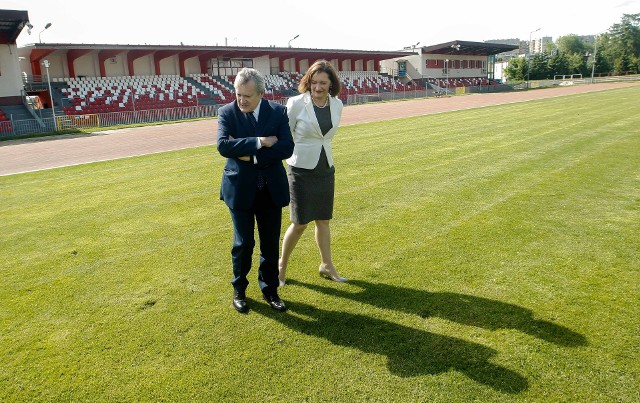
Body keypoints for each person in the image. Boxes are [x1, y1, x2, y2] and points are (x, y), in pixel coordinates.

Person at [217, 67, 294, 313]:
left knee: (270, 244)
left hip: (270, 189)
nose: (241, 100)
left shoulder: (278, 112)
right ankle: (239, 290)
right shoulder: (227, 112)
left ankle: (270, 290)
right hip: (240, 189)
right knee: (244, 243)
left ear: (261, 93)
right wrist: (260, 142)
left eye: (247, 95)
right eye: (238, 94)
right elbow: (223, 146)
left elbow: (286, 148)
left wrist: (251, 157)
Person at [278, 60, 347, 286]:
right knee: (299, 223)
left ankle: (326, 265)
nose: (318, 87)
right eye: (314, 82)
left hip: (325, 168)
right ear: (308, 82)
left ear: (331, 84)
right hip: (300, 170)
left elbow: (325, 136)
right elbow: (285, 135)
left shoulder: (337, 105)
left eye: (323, 83)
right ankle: (281, 266)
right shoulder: (296, 103)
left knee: (324, 220)